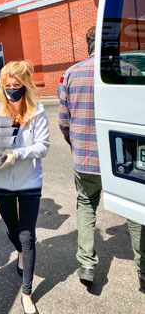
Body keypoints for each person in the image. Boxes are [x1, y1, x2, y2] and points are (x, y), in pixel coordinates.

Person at [58, 26, 145, 289]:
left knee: (86, 203)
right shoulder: (129, 70)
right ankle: (143, 270)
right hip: (124, 159)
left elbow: (64, 120)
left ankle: (86, 264)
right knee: (134, 211)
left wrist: (76, 144)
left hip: (86, 158)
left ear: (88, 44)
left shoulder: (71, 73)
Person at [0, 60, 50, 314]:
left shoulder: (37, 111)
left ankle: (27, 293)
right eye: (8, 85)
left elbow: (43, 146)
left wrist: (18, 154)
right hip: (1, 182)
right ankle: (21, 253)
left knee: (27, 236)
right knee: (12, 231)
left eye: (17, 85)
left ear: (26, 85)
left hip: (28, 183)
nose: (12, 89)